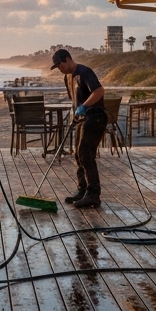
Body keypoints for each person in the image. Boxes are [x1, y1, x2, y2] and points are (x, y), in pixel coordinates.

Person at [51, 48, 106, 208]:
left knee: (85, 153)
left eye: (60, 65)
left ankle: (93, 194)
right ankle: (82, 190)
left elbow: (99, 91)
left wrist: (84, 106)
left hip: (95, 116)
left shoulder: (84, 72)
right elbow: (74, 99)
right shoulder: (67, 78)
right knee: (78, 155)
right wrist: (74, 111)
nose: (59, 69)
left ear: (67, 59)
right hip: (81, 118)